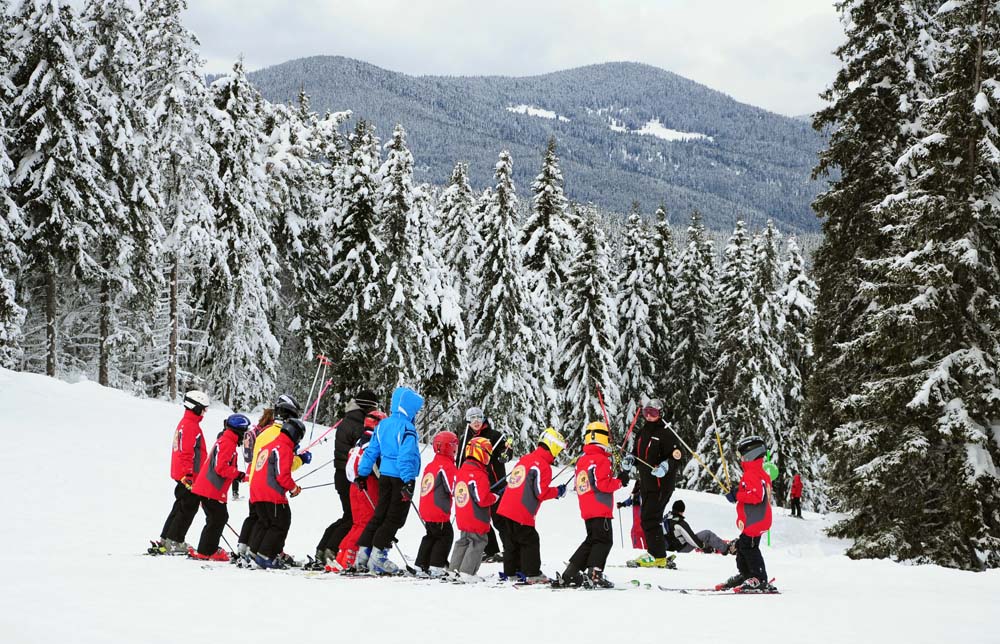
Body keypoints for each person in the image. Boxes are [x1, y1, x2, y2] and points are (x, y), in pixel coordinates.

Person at [354, 386, 424, 574]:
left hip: (384, 476)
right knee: (394, 518)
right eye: (415, 410)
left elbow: (371, 451)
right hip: (400, 477)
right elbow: (406, 455)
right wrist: (408, 480)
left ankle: (363, 555)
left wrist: (362, 473)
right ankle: (378, 558)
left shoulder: (383, 425)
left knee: (380, 514)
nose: (415, 414)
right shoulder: (407, 428)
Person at [308, 389, 380, 569]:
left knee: (348, 516)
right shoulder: (358, 423)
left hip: (343, 473)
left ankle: (324, 547)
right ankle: (332, 549)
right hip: (351, 475)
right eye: (373, 407)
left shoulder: (350, 419)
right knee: (352, 518)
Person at [557, 422, 629, 588]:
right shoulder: (601, 459)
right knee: (604, 541)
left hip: (587, 507)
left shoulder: (583, 459)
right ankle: (595, 573)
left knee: (592, 541)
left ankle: (571, 573)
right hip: (600, 508)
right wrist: (619, 482)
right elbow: (603, 484)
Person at [238, 395, 308, 562]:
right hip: (270, 487)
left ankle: (252, 552)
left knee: (261, 520)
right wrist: (300, 460)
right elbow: (281, 467)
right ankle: (266, 554)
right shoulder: (278, 437)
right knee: (277, 522)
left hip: (257, 483)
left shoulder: (266, 431)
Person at [496, 427, 568, 584]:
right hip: (521, 510)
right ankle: (532, 573)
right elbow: (540, 492)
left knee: (512, 542)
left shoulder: (526, 458)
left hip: (505, 508)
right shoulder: (542, 465)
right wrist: (558, 491)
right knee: (530, 540)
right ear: (554, 446)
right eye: (559, 450)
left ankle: (512, 572)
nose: (558, 454)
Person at [151, 390, 209, 555]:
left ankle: (166, 538)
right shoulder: (191, 426)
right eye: (203, 409)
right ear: (196, 408)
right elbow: (186, 453)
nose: (204, 412)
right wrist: (189, 476)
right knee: (188, 508)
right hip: (189, 477)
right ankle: (175, 541)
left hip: (184, 475)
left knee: (180, 506)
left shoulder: (186, 423)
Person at [626, 398, 682, 568]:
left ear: (660, 414)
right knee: (647, 518)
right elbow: (637, 453)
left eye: (653, 413)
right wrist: (630, 460)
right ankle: (658, 554)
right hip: (646, 483)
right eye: (646, 413)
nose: (649, 416)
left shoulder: (666, 433)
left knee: (650, 519)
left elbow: (677, 455)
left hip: (661, 485)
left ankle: (656, 555)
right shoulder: (642, 432)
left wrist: (666, 465)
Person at [719, 436, 777, 593]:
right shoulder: (759, 472)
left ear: (751, 455)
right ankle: (747, 575)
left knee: (749, 547)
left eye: (741, 456)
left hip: (755, 520)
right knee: (743, 546)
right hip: (758, 519)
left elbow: (756, 496)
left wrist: (737, 495)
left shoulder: (751, 473)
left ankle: (759, 578)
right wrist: (738, 492)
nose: (740, 459)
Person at [189, 414, 251, 561]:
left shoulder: (227, 440)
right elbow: (221, 468)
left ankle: (209, 548)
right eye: (244, 433)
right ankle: (206, 551)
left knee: (218, 518)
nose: (245, 437)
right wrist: (239, 475)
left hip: (209, 488)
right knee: (217, 518)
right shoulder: (227, 443)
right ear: (239, 431)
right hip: (210, 488)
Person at [248, 417, 306, 569]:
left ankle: (254, 553)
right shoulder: (283, 447)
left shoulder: (270, 445)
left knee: (264, 523)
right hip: (271, 494)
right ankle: (266, 556)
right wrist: (293, 488)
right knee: (281, 522)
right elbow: (282, 475)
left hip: (257, 492)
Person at [456, 406, 511, 562]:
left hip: (495, 483)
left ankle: (509, 549)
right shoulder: (465, 438)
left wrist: (504, 456)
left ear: (483, 418)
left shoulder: (494, 435)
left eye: (478, 418)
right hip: (474, 484)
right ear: (468, 421)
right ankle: (490, 549)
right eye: (472, 419)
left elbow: (506, 450)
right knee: (480, 519)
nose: (476, 422)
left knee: (499, 519)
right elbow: (460, 461)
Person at [334, 409, 386, 572]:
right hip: (367, 484)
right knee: (366, 523)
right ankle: (350, 557)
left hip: (354, 485)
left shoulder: (359, 440)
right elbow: (377, 466)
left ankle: (341, 556)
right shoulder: (373, 442)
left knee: (357, 523)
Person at [450, 437, 498, 582]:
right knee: (478, 542)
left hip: (463, 513)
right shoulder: (479, 474)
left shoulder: (462, 470)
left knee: (464, 540)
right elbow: (483, 499)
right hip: (476, 516)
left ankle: (454, 569)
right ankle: (468, 573)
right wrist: (494, 497)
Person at [415, 431, 459, 577]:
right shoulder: (446, 466)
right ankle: (436, 566)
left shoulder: (432, 464)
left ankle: (421, 564)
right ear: (450, 447)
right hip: (438, 509)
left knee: (431, 536)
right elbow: (452, 487)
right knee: (445, 536)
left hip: (426, 508)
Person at [663, 500, 732, 555]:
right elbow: (691, 538)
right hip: (682, 548)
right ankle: (727, 549)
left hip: (671, 547)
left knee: (699, 538)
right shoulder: (679, 522)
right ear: (682, 511)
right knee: (707, 534)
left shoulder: (667, 518)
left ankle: (709, 547)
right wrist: (702, 545)